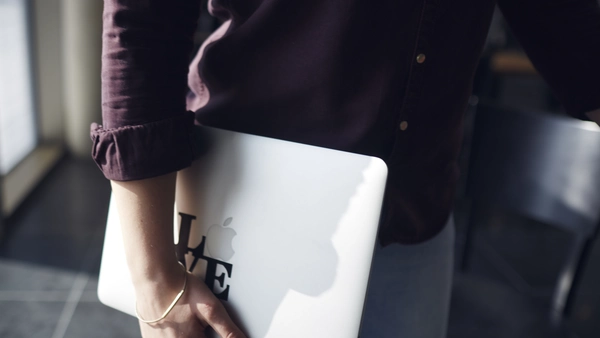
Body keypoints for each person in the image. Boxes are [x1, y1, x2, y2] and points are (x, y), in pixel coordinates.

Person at [91, 0, 600, 337]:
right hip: (245, 223)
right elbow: (142, 23)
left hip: (409, 226)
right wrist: (154, 277)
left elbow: (567, 27)